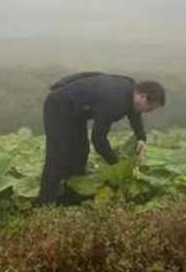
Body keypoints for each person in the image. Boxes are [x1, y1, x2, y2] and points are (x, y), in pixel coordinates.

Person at [37, 72, 166, 206]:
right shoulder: (114, 100)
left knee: (81, 152)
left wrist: (141, 137)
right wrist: (117, 165)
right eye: (150, 108)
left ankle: (70, 198)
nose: (148, 112)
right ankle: (44, 204)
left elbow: (134, 112)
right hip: (58, 106)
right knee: (58, 155)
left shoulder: (130, 88)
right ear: (143, 97)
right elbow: (98, 139)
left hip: (77, 111)